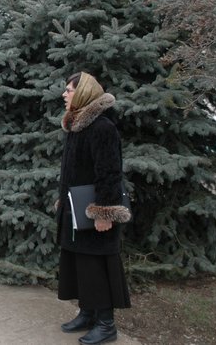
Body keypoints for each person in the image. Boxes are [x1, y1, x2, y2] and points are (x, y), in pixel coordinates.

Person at [56, 72, 131, 345]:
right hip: (74, 209)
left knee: (97, 265)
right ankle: (87, 313)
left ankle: (106, 324)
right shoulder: (77, 126)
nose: (64, 94)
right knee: (81, 263)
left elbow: (109, 173)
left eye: (69, 90)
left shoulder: (102, 128)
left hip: (94, 209)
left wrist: (104, 212)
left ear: (84, 93)